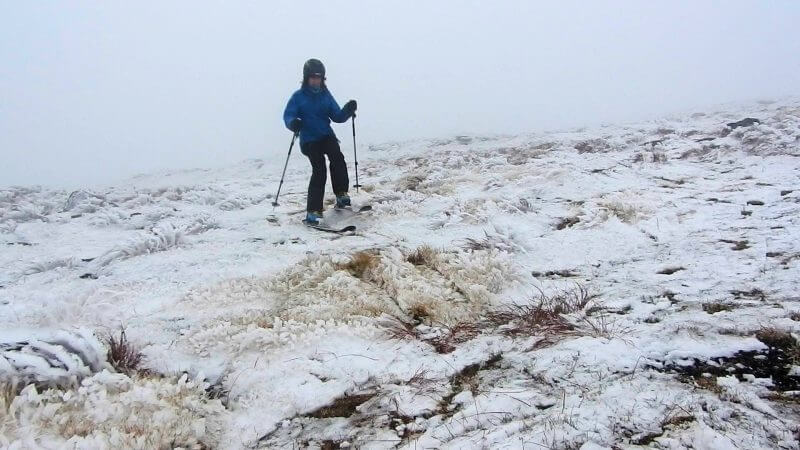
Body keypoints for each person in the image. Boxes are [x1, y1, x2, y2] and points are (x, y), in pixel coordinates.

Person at [283, 58, 357, 225]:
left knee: (337, 158)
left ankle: (341, 195)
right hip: (309, 140)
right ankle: (313, 211)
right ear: (306, 77)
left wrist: (347, 110)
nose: (316, 80)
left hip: (326, 135)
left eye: (319, 77)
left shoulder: (325, 95)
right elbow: (288, 115)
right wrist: (293, 123)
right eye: (313, 77)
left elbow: (337, 116)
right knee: (319, 169)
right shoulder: (298, 97)